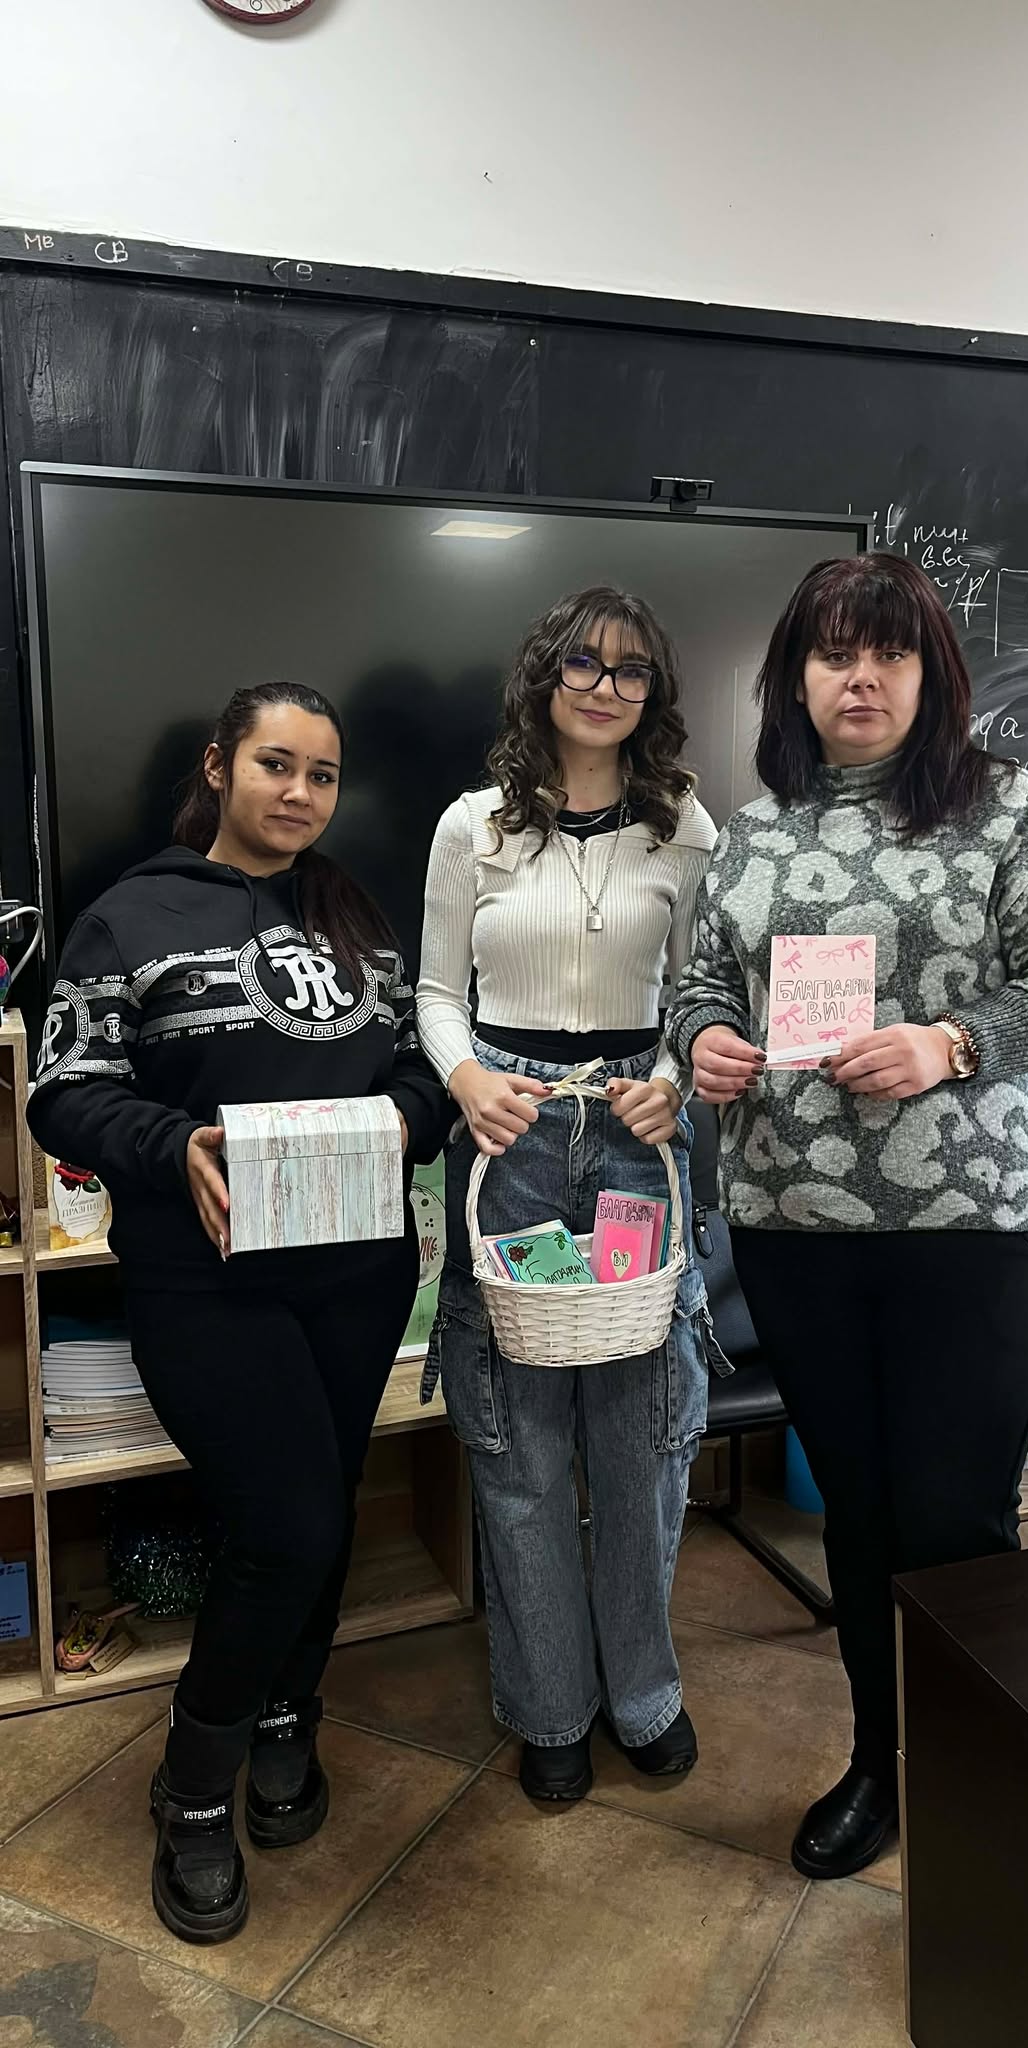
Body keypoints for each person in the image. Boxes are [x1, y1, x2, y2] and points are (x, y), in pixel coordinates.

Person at [665, 554, 1028, 1880]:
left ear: (933, 672)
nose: (859, 678)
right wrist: (704, 1041)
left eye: (889, 652)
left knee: (957, 1520)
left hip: (973, 1231)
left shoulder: (1008, 807)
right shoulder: (757, 831)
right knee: (861, 1520)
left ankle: (983, 1775)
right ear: (794, 678)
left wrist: (953, 1042)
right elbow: (701, 986)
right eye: (833, 653)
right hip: (797, 1230)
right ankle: (882, 1759)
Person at [27, 681, 450, 1945]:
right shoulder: (128, 915)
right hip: (205, 1280)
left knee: (320, 1510)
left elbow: (420, 1065)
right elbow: (64, 1087)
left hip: (359, 1270)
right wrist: (176, 1143)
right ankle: (194, 1787)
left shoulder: (356, 910)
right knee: (291, 1521)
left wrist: (405, 1116)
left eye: (322, 774)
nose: (300, 793)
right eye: (276, 763)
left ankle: (286, 1713)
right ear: (219, 765)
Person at [416, 586, 725, 1803]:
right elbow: (437, 992)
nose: (605, 686)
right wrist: (464, 1077)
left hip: (637, 1132)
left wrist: (675, 1085)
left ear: (655, 693)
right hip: (516, 1134)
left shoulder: (684, 825)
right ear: (544, 675)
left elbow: (703, 994)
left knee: (642, 1436)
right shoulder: (471, 825)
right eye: (584, 663)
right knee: (520, 1436)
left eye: (632, 669)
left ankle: (644, 1692)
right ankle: (549, 1703)